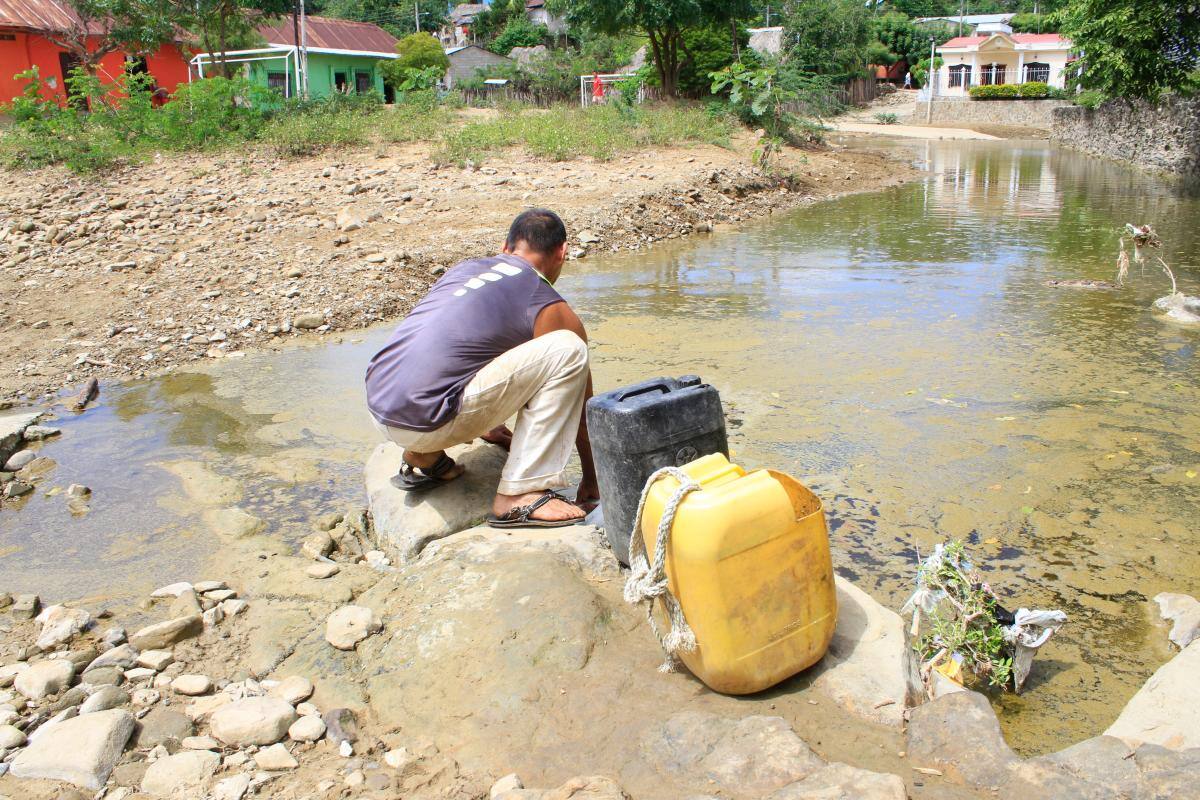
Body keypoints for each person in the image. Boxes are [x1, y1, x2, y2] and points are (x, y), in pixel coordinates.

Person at [365, 209, 599, 528]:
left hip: (381, 408)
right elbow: (583, 408)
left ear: (506, 247)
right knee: (570, 349)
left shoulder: (466, 269)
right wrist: (593, 478)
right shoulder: (549, 304)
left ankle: (425, 456)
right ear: (562, 252)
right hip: (428, 421)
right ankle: (520, 494)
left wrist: (488, 423)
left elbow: (465, 347)